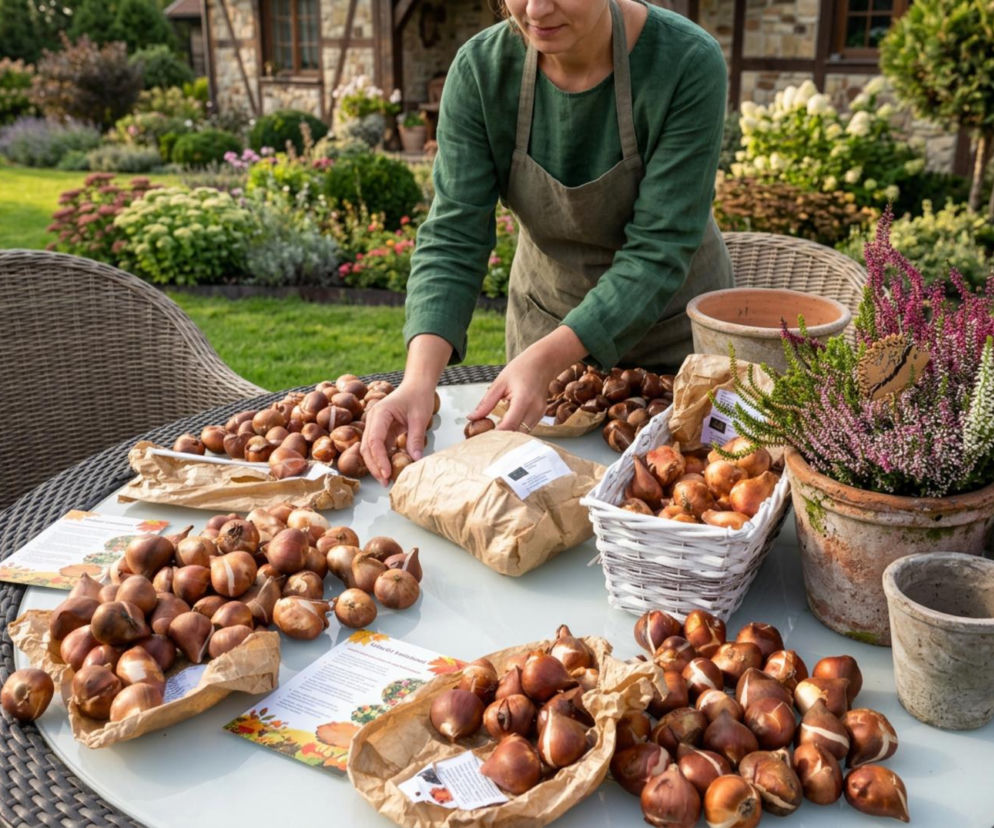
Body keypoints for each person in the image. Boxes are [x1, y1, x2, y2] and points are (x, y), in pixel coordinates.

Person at [360, 0, 732, 485]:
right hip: (545, 346)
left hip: (673, 345)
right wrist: (418, 380)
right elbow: (454, 232)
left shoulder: (685, 62)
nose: (534, 8)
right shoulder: (481, 72)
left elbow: (658, 251)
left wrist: (545, 358)